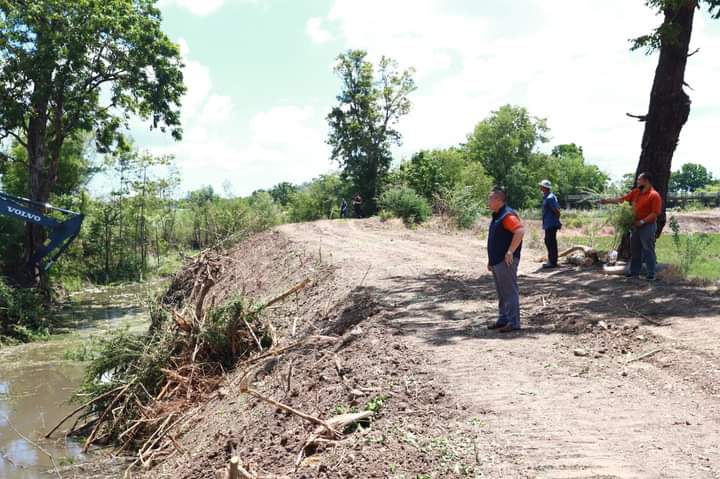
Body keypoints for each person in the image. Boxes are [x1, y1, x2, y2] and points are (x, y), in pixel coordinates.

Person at [600, 172, 662, 280]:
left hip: (648, 226)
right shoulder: (636, 192)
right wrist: (607, 201)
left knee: (648, 250)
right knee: (635, 250)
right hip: (635, 226)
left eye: (639, 180)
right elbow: (622, 199)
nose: (637, 182)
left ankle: (651, 274)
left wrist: (642, 221)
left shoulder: (654, 195)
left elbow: (655, 213)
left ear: (646, 181)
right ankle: (634, 273)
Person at [486, 188, 525, 332]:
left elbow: (519, 231)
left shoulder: (507, 215)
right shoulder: (498, 215)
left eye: (490, 199)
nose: (488, 202)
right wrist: (491, 261)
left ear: (498, 200)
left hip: (506, 261)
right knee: (502, 293)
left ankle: (513, 323)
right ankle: (503, 320)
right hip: (497, 262)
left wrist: (510, 251)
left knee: (509, 292)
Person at [539, 179, 562, 269]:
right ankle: (552, 260)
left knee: (550, 242)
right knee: (548, 241)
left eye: (541, 186)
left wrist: (556, 220)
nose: (540, 187)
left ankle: (552, 262)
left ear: (545, 188)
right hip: (548, 223)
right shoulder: (548, 197)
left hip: (551, 223)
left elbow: (557, 210)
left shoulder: (550, 198)